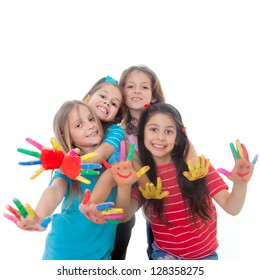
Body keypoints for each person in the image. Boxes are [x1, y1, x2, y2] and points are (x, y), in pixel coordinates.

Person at [113, 103, 256, 260]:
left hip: (206, 256)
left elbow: (232, 207)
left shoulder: (199, 167)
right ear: (142, 135)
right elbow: (125, 215)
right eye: (154, 129)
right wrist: (124, 185)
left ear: (177, 138)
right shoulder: (143, 177)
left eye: (168, 131)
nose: (160, 137)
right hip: (165, 256)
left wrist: (241, 184)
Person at [4, 100, 119, 260]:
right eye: (79, 125)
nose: (90, 125)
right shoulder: (67, 165)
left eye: (91, 119)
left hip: (100, 254)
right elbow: (55, 190)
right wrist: (39, 215)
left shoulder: (114, 159)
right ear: (67, 136)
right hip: (62, 252)